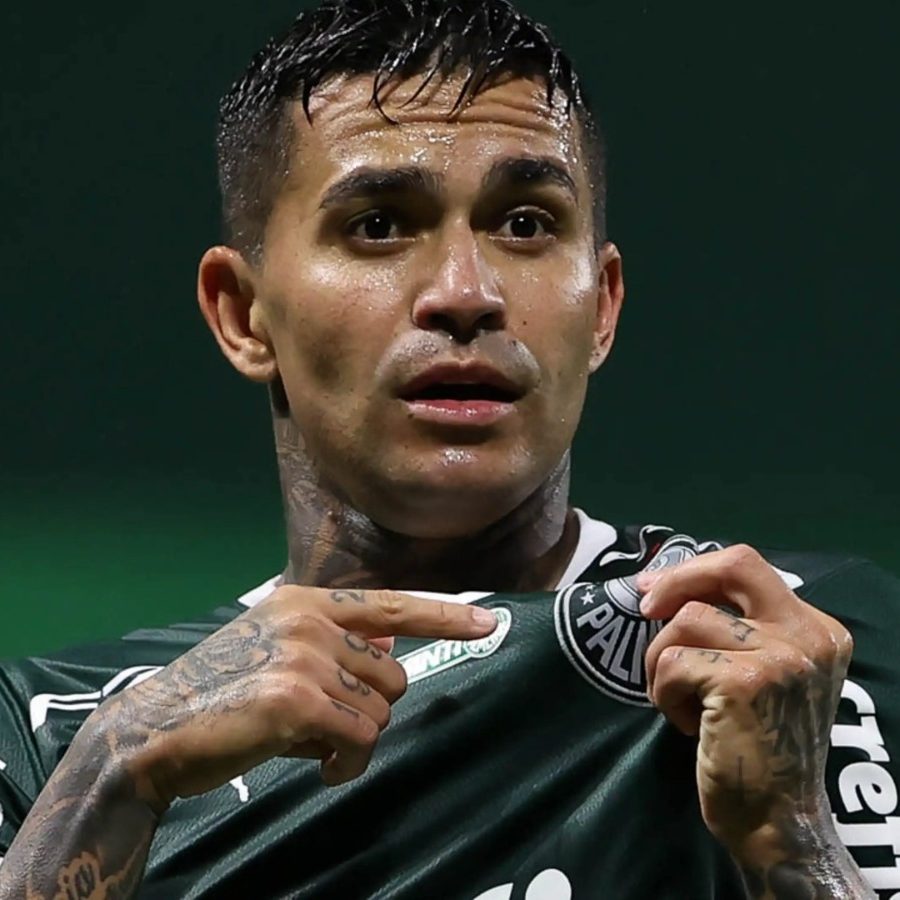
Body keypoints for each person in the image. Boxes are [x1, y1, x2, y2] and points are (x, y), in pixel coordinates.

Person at [1, 0, 898, 897]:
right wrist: (115, 778)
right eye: (379, 225)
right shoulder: (53, 735)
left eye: (526, 224)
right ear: (243, 314)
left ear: (603, 306)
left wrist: (793, 838)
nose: (466, 294)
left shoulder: (822, 649)